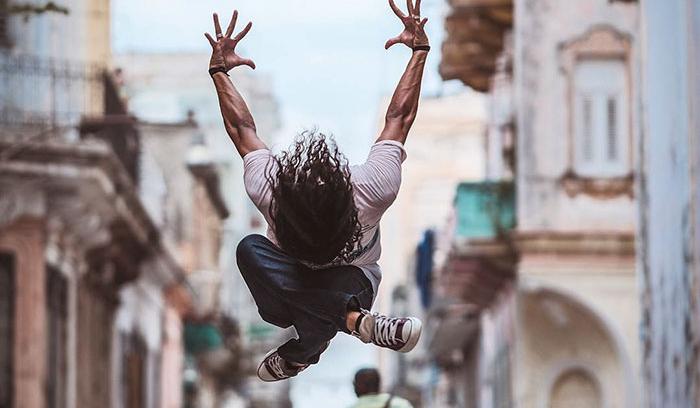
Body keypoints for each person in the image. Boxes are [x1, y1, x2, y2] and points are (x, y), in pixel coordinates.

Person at [204, 0, 431, 382]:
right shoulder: (360, 188)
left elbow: (242, 132)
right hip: (289, 289)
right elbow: (399, 120)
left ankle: (307, 347)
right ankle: (353, 322)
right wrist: (419, 53)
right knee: (249, 249)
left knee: (303, 283)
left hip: (351, 282)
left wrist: (219, 73)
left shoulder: (364, 188)